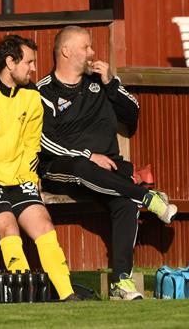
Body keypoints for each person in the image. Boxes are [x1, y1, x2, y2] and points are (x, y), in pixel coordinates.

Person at [36, 26, 178, 300]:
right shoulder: (43, 91)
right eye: (86, 47)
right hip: (63, 170)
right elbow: (44, 142)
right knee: (82, 168)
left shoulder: (99, 83)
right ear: (66, 51)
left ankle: (121, 282)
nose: (92, 53)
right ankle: (146, 197)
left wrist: (111, 82)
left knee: (124, 203)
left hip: (107, 174)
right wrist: (87, 155)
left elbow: (132, 113)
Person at [0, 35, 80, 302]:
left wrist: (30, 180)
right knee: (8, 226)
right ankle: (26, 296)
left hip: (19, 178)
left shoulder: (32, 95)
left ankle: (68, 295)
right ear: (10, 62)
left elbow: (32, 146)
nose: (34, 68)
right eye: (29, 62)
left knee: (44, 224)